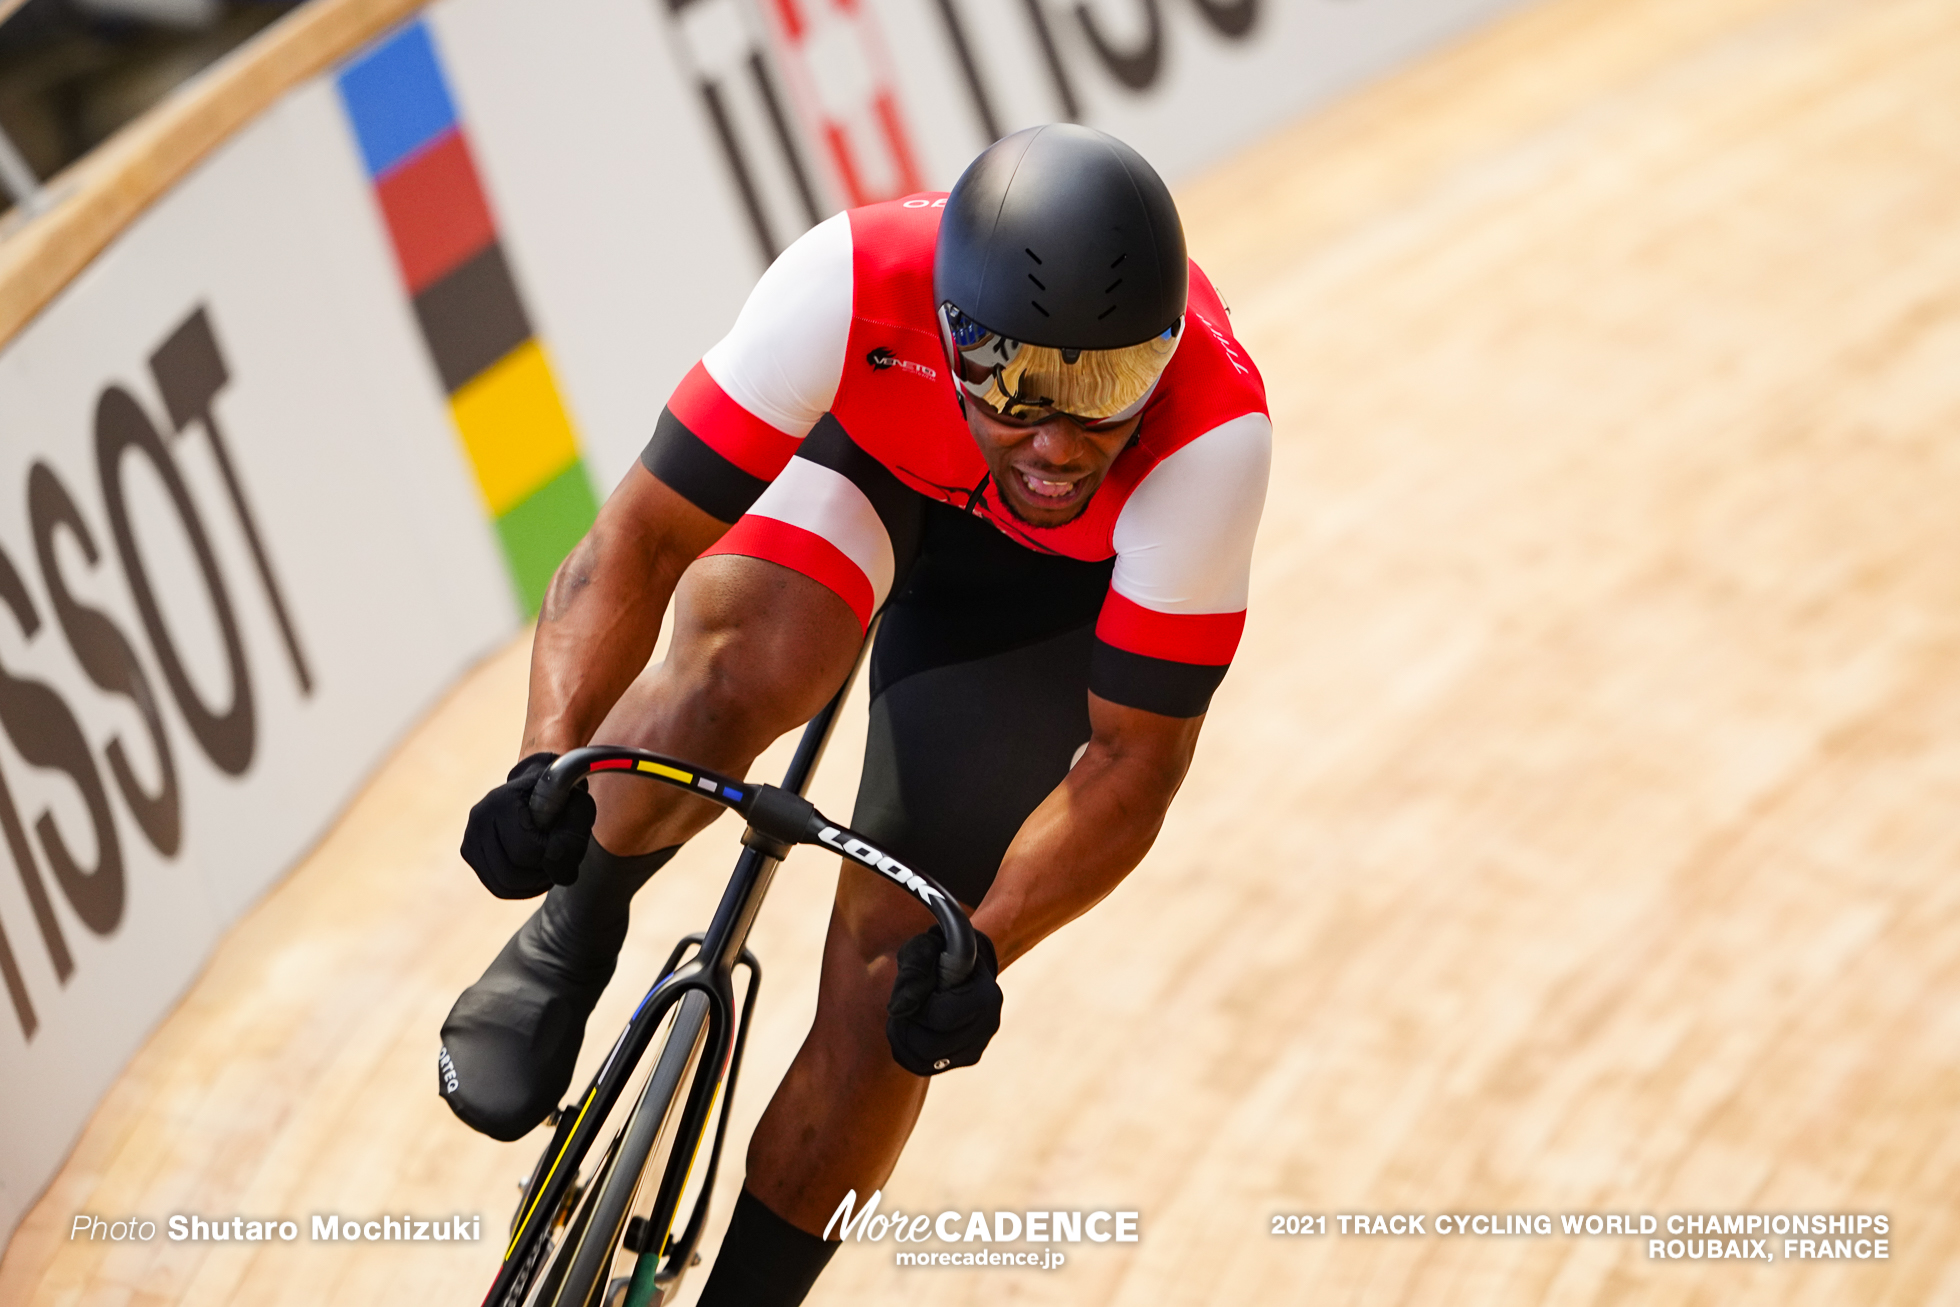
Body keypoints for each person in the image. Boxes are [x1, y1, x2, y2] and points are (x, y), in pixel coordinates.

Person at [439, 122, 1271, 1305]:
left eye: (1105, 389)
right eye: (1019, 382)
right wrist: (544, 763)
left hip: (1042, 592)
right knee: (734, 670)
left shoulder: (1211, 436)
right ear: (947, 329)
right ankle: (573, 928)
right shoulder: (846, 285)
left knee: (898, 963)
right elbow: (636, 543)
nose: (1055, 439)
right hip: (878, 459)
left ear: (1163, 355)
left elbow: (1131, 760)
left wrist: (984, 943)